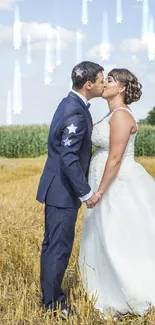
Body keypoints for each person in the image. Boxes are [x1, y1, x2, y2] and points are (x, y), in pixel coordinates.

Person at [79, 68, 155, 321]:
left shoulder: (121, 116)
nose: (105, 83)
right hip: (104, 180)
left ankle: (129, 291)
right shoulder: (110, 114)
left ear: (121, 88)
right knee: (104, 234)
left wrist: (99, 191)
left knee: (118, 236)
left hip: (117, 184)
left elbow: (115, 157)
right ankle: (105, 284)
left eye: (110, 80)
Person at [36, 61, 104, 318]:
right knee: (58, 247)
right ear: (88, 85)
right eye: (100, 80)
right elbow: (69, 157)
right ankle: (53, 304)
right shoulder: (75, 111)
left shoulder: (69, 103)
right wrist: (86, 192)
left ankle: (48, 296)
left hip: (56, 189)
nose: (102, 83)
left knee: (52, 245)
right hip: (63, 192)